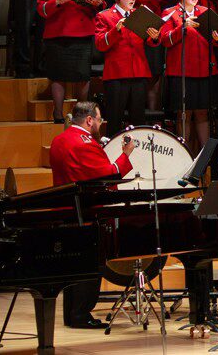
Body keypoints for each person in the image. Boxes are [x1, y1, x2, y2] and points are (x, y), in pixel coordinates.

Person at [49, 101, 136, 328]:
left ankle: (72, 313)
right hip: (86, 212)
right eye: (99, 119)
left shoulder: (59, 140)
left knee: (72, 266)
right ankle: (81, 314)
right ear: (89, 120)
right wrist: (125, 155)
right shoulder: (85, 143)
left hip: (64, 210)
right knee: (90, 265)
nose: (100, 122)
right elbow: (108, 175)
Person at [38, 0, 103, 123]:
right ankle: (57, 114)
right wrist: (56, 1)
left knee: (83, 77)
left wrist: (98, 3)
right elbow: (41, 9)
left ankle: (81, 116)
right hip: (58, 36)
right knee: (58, 76)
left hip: (82, 36)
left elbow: (99, 6)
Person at [160, 0, 218, 152]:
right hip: (181, 71)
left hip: (204, 69)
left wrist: (217, 39)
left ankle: (206, 156)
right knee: (184, 114)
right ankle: (184, 154)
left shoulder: (205, 12)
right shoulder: (170, 12)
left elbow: (214, 39)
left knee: (203, 113)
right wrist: (183, 27)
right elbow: (164, 40)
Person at [94, 0, 159, 136]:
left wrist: (155, 37)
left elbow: (151, 41)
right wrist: (116, 30)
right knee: (115, 119)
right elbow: (100, 45)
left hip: (138, 72)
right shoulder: (105, 16)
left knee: (138, 120)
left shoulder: (140, 14)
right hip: (117, 75)